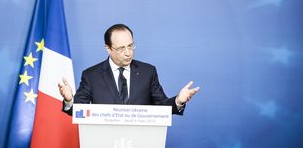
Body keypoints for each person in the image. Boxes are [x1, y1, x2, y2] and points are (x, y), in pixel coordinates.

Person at [58, 24, 200, 115]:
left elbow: (162, 106)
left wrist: (179, 101)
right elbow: (78, 110)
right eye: (121, 48)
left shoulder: (148, 72)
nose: (128, 52)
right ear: (108, 48)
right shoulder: (91, 75)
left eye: (130, 46)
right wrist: (70, 100)